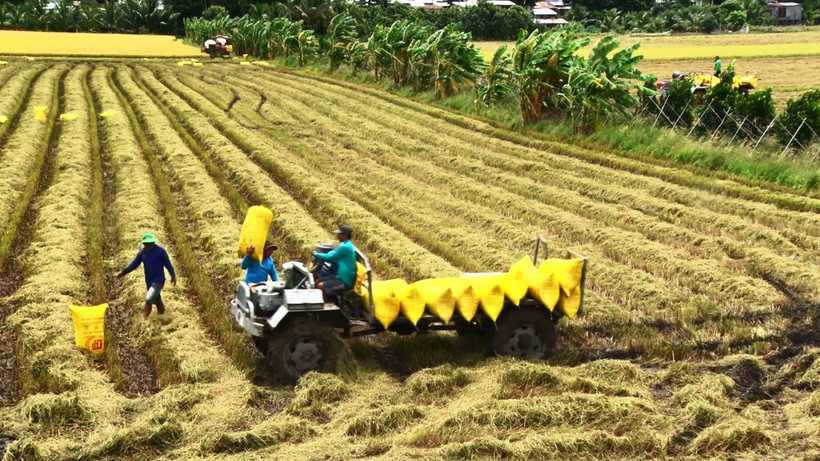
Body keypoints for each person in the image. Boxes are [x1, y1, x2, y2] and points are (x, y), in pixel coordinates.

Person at [116, 233, 177, 319]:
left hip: (158, 280)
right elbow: (134, 264)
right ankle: (162, 315)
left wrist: (173, 275)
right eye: (146, 243)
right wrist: (123, 272)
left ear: (153, 242)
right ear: (144, 244)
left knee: (149, 298)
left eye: (150, 243)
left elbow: (168, 264)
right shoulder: (142, 252)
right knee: (156, 300)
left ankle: (143, 319)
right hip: (149, 281)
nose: (149, 245)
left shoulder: (161, 252)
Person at [314, 225, 356, 302]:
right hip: (339, 277)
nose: (337, 235)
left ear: (345, 234)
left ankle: (326, 309)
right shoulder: (344, 245)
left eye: (339, 234)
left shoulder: (346, 247)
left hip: (344, 281)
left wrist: (316, 254)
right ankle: (328, 300)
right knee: (317, 281)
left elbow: (330, 257)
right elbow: (332, 255)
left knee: (321, 286)